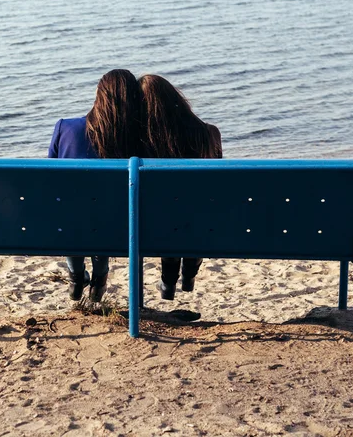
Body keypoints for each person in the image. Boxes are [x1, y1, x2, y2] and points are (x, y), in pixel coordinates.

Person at [48, 69, 142, 302]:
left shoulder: (65, 128)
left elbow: (47, 177)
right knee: (104, 212)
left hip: (67, 224)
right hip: (113, 226)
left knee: (72, 211)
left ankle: (76, 275)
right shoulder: (134, 138)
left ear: (98, 94)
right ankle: (100, 277)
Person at [138, 74, 222, 300]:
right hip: (200, 218)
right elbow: (218, 181)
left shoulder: (143, 140)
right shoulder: (209, 132)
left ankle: (168, 282)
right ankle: (189, 274)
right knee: (193, 211)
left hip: (159, 221)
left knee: (168, 213)